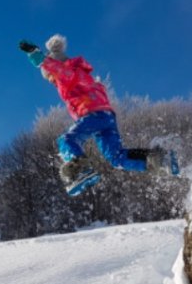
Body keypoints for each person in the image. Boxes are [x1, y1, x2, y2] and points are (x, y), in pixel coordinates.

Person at [19, 34, 177, 195]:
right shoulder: (83, 76)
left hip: (94, 115)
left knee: (67, 140)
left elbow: (62, 71)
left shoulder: (70, 73)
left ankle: (82, 169)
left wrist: (40, 59)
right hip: (106, 118)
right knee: (117, 159)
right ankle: (159, 160)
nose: (52, 81)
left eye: (50, 77)